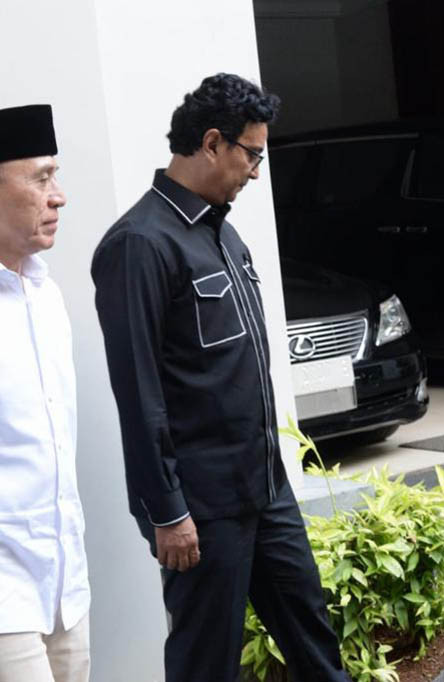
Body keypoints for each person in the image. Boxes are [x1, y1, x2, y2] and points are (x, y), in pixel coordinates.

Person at [91, 74, 350, 682]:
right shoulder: (140, 245)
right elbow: (138, 394)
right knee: (206, 662)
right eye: (252, 154)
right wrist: (166, 511)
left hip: (266, 491)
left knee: (315, 639)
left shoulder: (225, 236)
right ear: (212, 143)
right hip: (202, 511)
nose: (257, 172)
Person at [0, 104, 90, 682]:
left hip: (65, 584)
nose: (58, 196)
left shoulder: (47, 296)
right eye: (40, 178)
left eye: (56, 176)